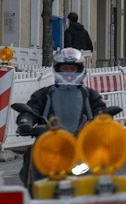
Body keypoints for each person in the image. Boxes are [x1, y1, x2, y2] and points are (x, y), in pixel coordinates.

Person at [16, 48, 109, 187]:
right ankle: (31, 188)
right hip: (49, 144)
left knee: (103, 158)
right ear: (57, 69)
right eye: (65, 68)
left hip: (80, 143)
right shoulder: (44, 94)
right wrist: (26, 121)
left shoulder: (90, 95)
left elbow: (100, 111)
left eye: (72, 68)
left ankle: (102, 192)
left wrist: (104, 121)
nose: (69, 72)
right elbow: (32, 110)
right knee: (32, 152)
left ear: (80, 70)